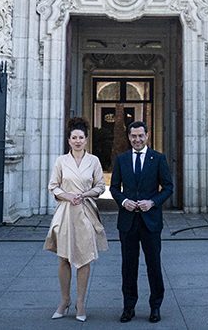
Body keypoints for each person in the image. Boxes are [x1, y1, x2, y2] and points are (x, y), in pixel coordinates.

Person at [43, 117, 107, 322]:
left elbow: (100, 186)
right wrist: (68, 195)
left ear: (86, 140)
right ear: (69, 140)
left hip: (86, 212)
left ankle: (80, 302)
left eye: (81, 137)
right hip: (65, 212)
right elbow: (53, 186)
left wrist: (85, 194)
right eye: (74, 138)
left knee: (85, 257)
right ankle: (64, 300)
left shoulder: (94, 161)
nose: (78, 141)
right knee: (63, 258)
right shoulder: (61, 161)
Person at [110, 120, 174, 324]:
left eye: (140, 136)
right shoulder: (121, 159)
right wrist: (125, 201)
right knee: (128, 266)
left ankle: (155, 306)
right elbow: (113, 188)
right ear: (129, 137)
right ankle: (128, 307)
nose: (137, 139)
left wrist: (153, 202)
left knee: (153, 265)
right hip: (128, 222)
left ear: (147, 135)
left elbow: (168, 187)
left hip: (150, 222)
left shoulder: (158, 158)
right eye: (133, 136)